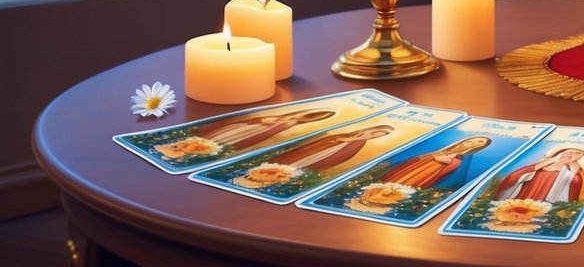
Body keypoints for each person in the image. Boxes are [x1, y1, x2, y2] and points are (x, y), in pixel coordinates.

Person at [155, 109, 337, 157]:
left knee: (222, 141)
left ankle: (188, 149)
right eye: (300, 115)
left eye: (305, 118)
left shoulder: (285, 127)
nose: (299, 118)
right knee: (219, 136)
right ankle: (178, 146)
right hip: (241, 128)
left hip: (247, 133)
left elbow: (262, 136)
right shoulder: (277, 118)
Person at [379, 136, 492, 189]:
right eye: (472, 140)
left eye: (480, 142)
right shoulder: (449, 150)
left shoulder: (459, 156)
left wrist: (437, 157)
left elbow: (447, 161)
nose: (472, 142)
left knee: (412, 180)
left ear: (480, 146)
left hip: (430, 170)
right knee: (402, 177)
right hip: (421, 166)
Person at [268, 125, 394, 173]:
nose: (376, 135)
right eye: (378, 132)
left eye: (382, 135)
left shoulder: (360, 143)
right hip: (318, 150)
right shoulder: (348, 134)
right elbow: (326, 140)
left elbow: (345, 155)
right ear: (370, 129)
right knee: (298, 157)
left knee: (307, 163)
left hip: (327, 155)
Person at [493, 148, 584, 203]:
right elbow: (514, 177)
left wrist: (573, 167)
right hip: (524, 198)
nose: (571, 154)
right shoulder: (540, 165)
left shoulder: (575, 172)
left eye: (577, 153)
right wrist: (553, 160)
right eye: (568, 151)